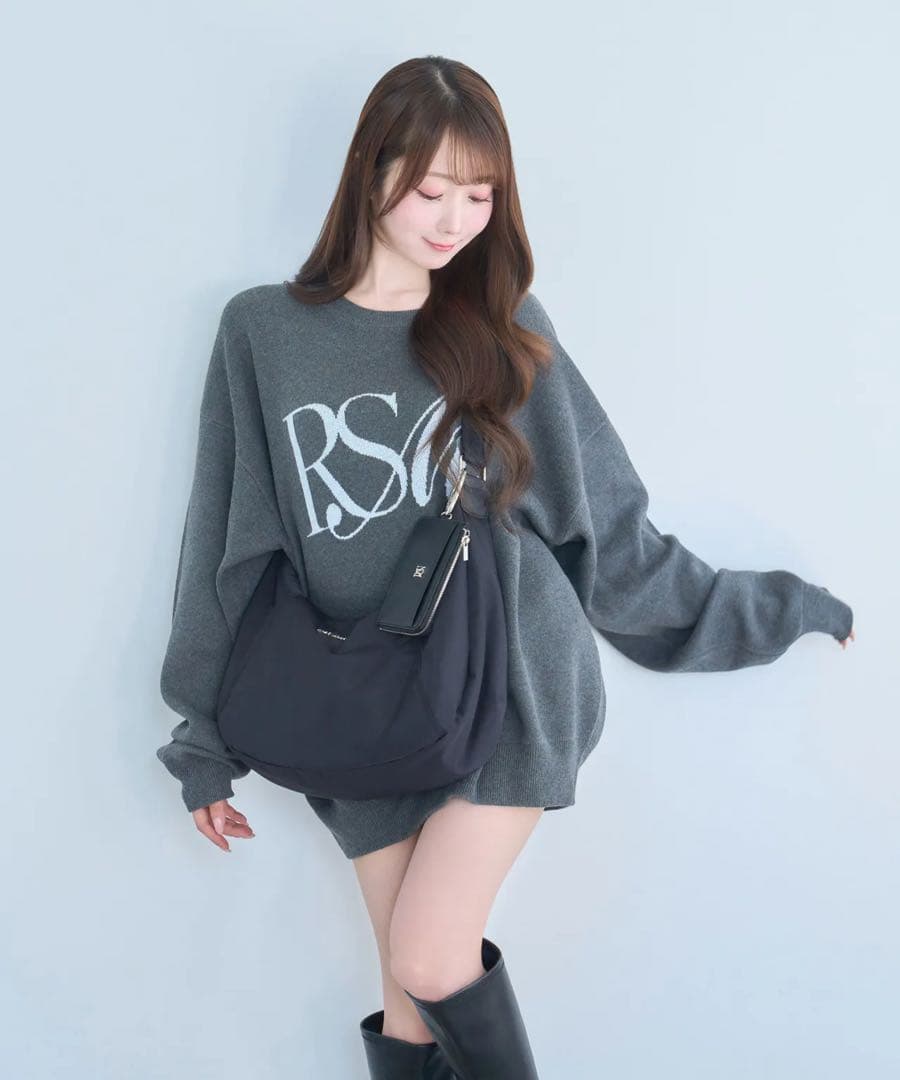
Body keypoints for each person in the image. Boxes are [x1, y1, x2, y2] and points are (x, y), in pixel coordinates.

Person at [156, 55, 855, 1080]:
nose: (454, 220)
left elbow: (607, 528)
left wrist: (778, 610)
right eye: (431, 190)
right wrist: (202, 738)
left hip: (508, 677)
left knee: (429, 958)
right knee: (407, 1008)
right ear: (369, 172)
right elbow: (229, 539)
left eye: (479, 195)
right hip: (351, 695)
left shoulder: (506, 330)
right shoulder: (264, 332)